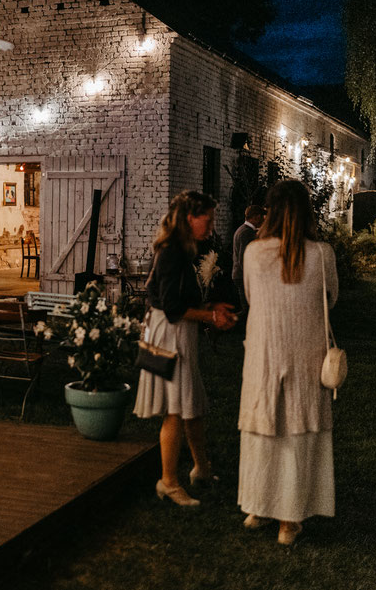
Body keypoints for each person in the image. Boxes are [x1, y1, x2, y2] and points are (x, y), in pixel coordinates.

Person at [238, 180, 337, 545]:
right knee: (298, 434)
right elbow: (332, 297)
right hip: (306, 354)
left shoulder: (253, 253)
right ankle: (288, 521)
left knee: (264, 433)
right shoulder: (322, 254)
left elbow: (250, 296)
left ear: (270, 210)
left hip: (265, 352)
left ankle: (260, 507)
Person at [134, 190, 237, 507]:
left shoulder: (189, 248)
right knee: (177, 408)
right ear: (190, 217)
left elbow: (187, 298)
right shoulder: (171, 252)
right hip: (169, 334)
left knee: (192, 402)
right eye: (208, 217)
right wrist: (212, 316)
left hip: (182, 333)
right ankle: (168, 481)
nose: (212, 224)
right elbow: (174, 307)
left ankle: (202, 468)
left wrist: (212, 305)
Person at [232, 205, 266, 315]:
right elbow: (244, 259)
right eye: (262, 216)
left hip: (240, 275)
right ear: (255, 217)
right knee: (248, 311)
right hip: (243, 276)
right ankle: (221, 325)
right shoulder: (247, 233)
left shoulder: (242, 230)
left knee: (249, 310)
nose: (263, 220)